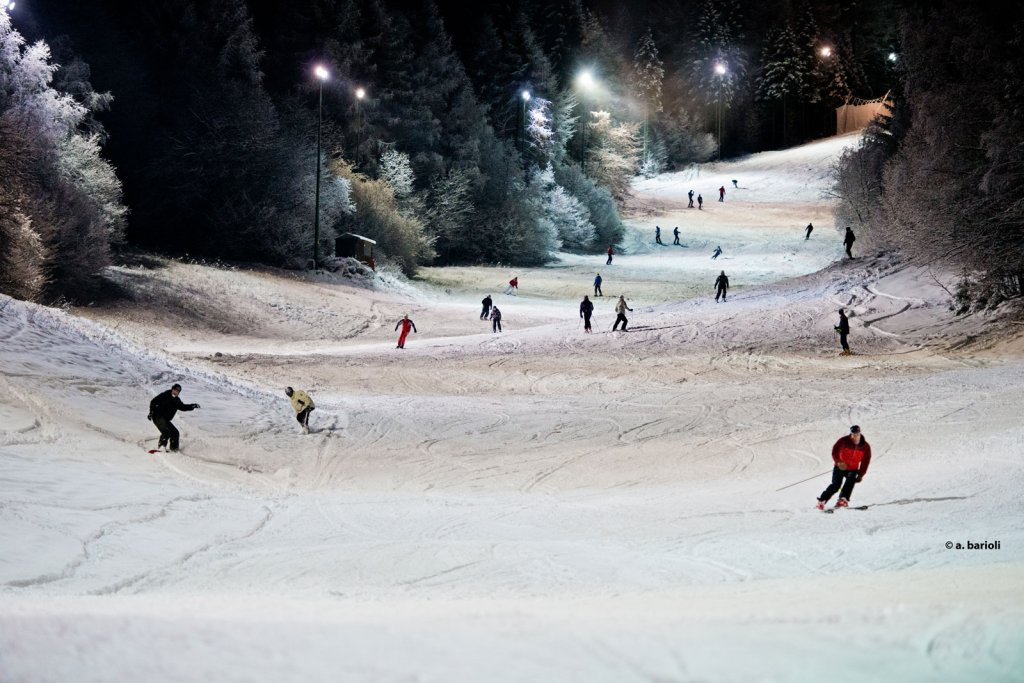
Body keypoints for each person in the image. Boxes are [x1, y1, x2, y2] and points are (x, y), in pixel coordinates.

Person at [816, 426, 872, 510]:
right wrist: (838, 462)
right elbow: (835, 451)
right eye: (853, 434)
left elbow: (866, 461)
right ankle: (822, 501)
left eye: (857, 434)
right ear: (851, 433)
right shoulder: (843, 441)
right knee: (836, 485)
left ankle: (843, 500)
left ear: (860, 434)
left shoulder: (865, 446)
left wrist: (861, 474)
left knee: (849, 483)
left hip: (853, 469)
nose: (855, 436)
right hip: (840, 467)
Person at [148, 383, 199, 453]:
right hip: (158, 416)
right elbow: (153, 402)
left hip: (165, 420)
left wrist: (192, 406)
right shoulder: (165, 395)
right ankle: (161, 448)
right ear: (172, 389)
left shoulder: (177, 400)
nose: (176, 392)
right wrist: (151, 412)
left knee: (175, 433)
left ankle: (174, 449)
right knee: (166, 431)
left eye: (178, 391)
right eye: (175, 390)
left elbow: (183, 407)